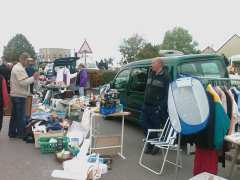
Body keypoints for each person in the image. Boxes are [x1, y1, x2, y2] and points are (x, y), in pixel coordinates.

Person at [141, 57, 170, 154]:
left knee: (154, 126)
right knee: (143, 123)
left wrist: (160, 106)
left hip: (155, 107)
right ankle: (155, 142)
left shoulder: (166, 77)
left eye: (153, 63)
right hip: (146, 105)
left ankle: (151, 146)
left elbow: (167, 94)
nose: (151, 65)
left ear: (159, 64)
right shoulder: (151, 73)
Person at [8, 52, 39, 138]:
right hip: (19, 95)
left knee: (15, 116)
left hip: (16, 94)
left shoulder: (19, 68)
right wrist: (34, 78)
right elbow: (23, 83)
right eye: (27, 60)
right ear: (22, 59)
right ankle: (21, 134)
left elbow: (22, 82)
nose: (28, 62)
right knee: (20, 116)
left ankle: (12, 132)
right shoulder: (19, 69)